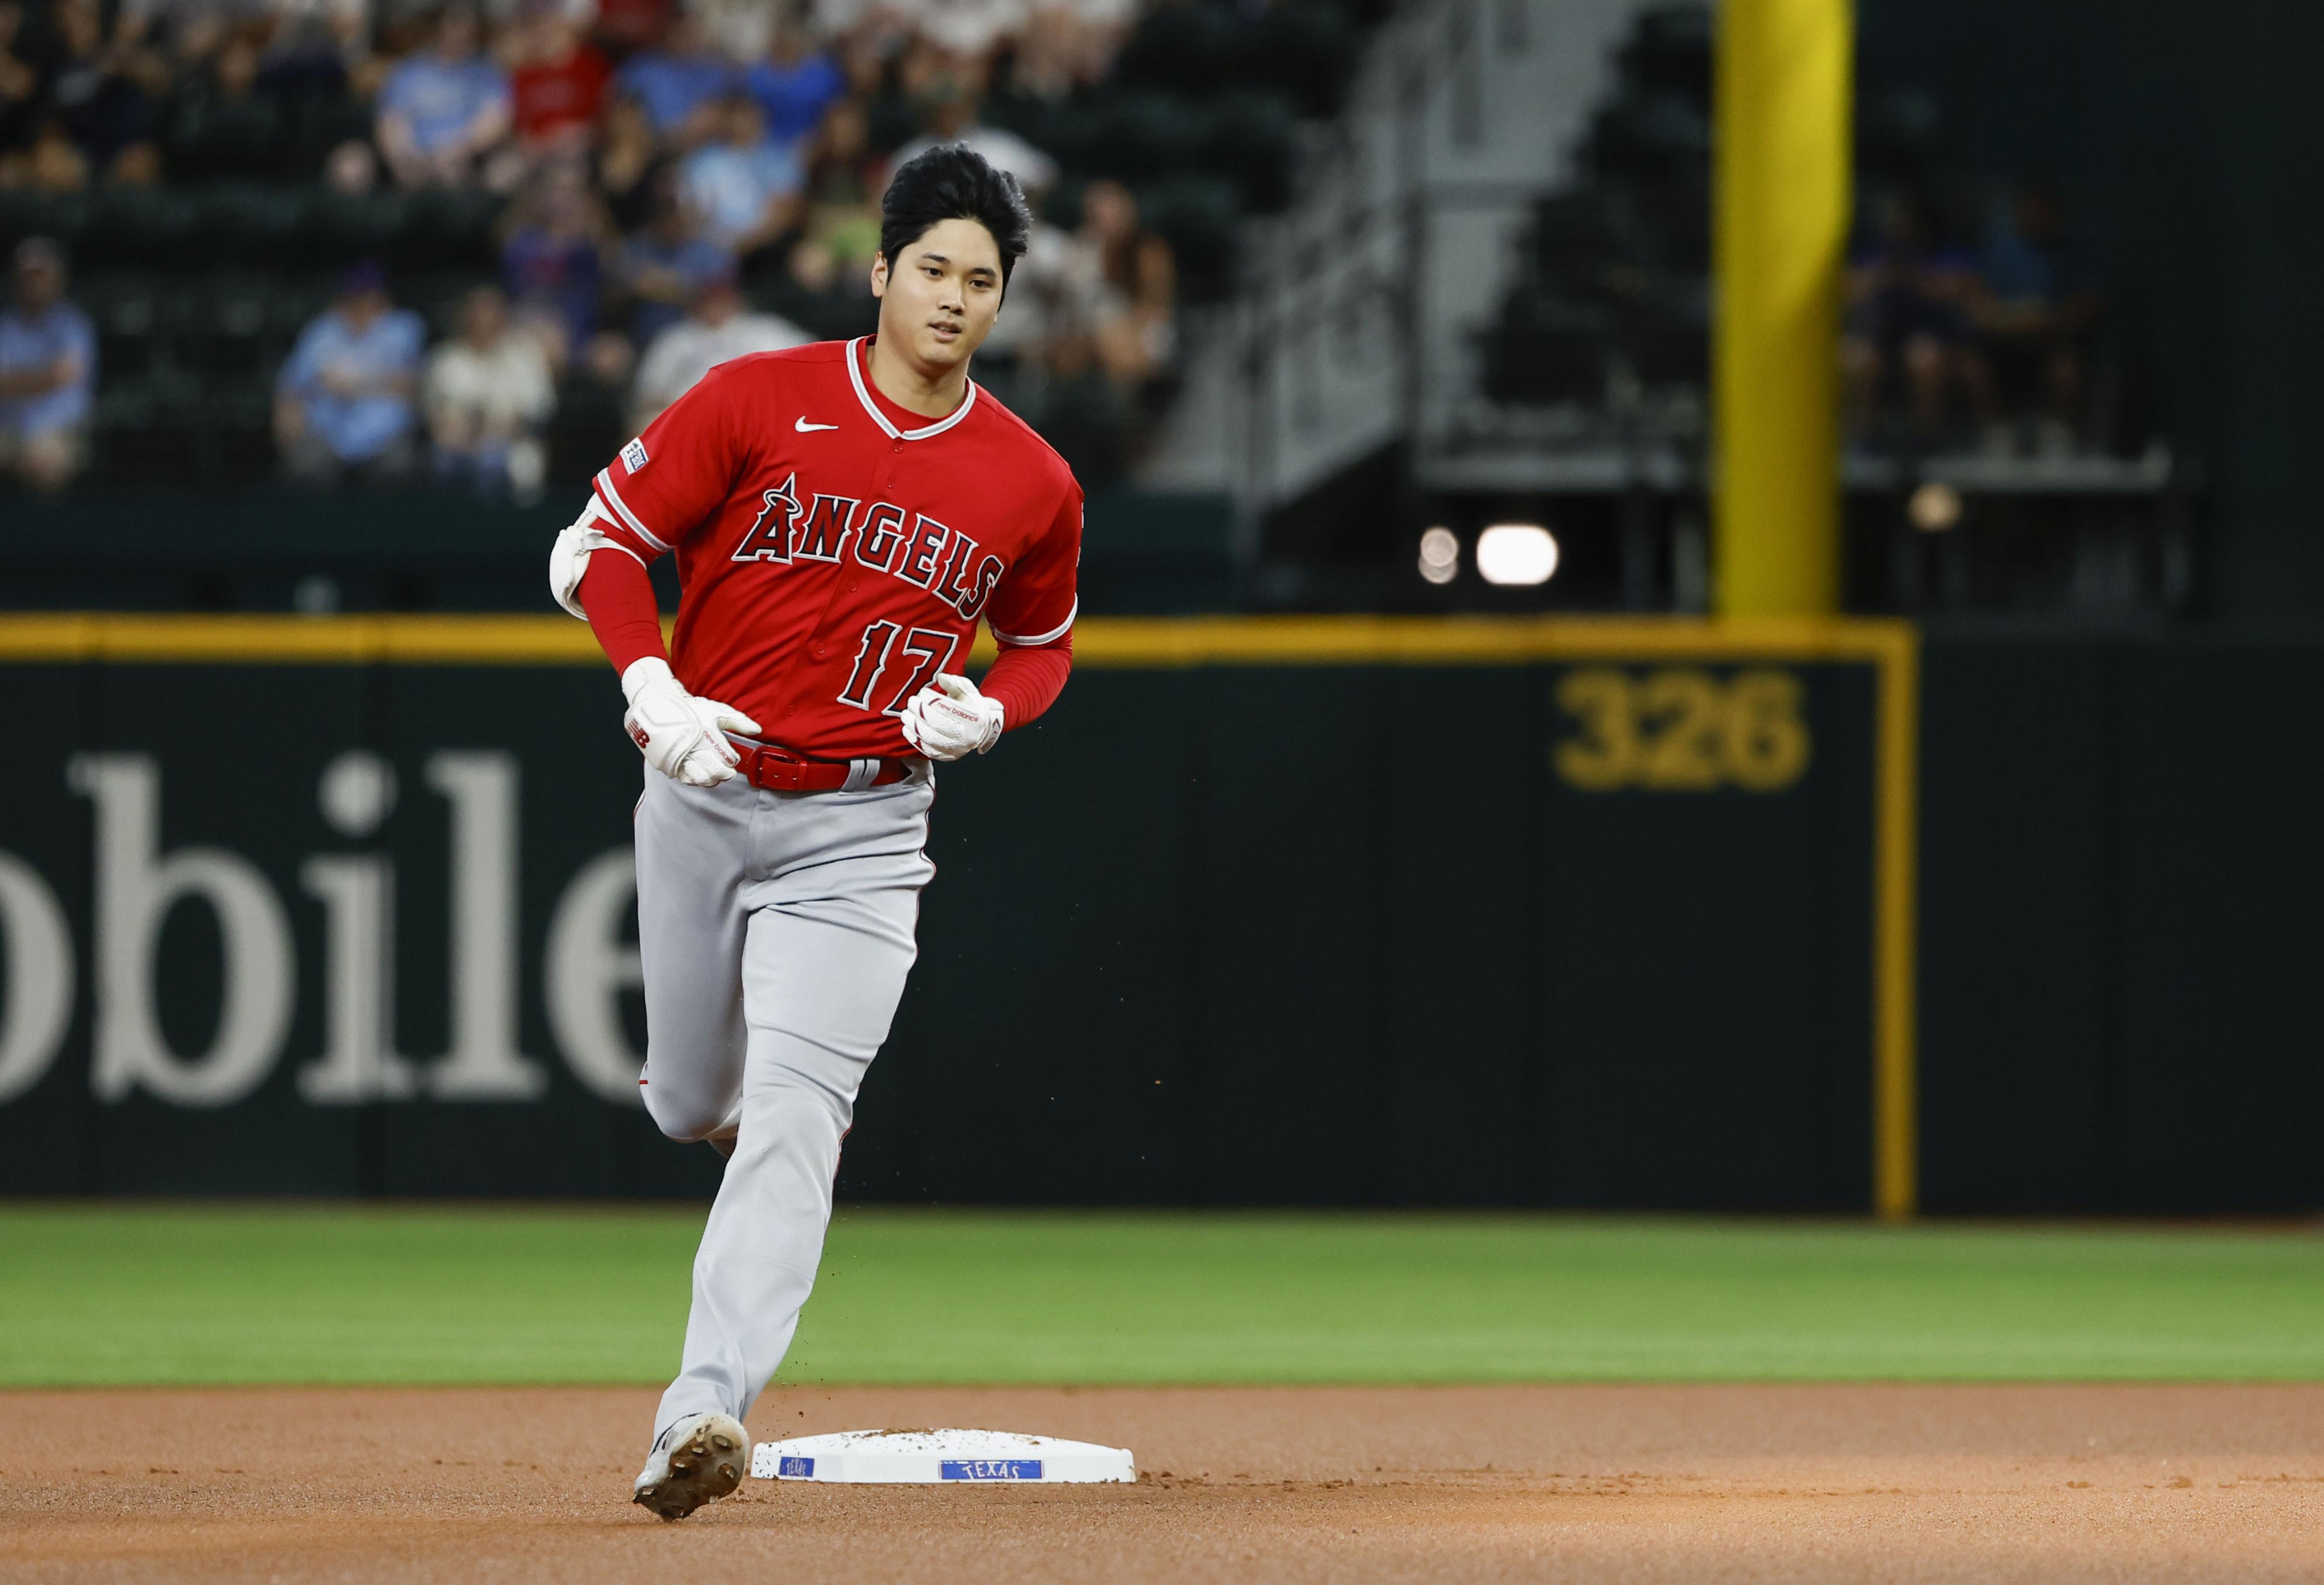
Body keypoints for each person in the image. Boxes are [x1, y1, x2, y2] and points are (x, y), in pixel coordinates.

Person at [544, 143, 1081, 1522]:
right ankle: (718, 1116)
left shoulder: (1029, 480)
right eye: (933, 270)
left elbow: (1040, 643)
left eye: (981, 278)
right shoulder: (756, 396)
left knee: (796, 1114)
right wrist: (649, 681)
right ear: (879, 272)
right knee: (686, 1100)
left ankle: (699, 1408)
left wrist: (994, 713)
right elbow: (601, 546)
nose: (954, 298)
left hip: (864, 829)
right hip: (705, 791)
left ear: (1002, 297)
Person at [273, 261, 426, 484]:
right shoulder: (322, 330)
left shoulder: (403, 327)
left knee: (398, 466)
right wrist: (286, 417)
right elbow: (290, 386)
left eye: (370, 296)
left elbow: (413, 384)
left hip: (386, 433)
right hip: (326, 434)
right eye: (357, 296)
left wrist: (356, 383)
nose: (364, 303)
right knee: (305, 466)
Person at [627, 266, 808, 431]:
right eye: (709, 298)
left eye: (721, 297)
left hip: (754, 416)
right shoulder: (676, 338)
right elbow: (649, 394)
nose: (715, 304)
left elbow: (809, 364)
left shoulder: (764, 329)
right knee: (648, 423)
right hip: (690, 422)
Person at [425, 283, 554, 498]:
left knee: (497, 462)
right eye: (477, 312)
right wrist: (456, 433)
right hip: (456, 445)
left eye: (491, 312)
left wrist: (498, 432)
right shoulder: (446, 358)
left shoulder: (524, 355)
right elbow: (434, 415)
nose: (484, 320)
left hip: (512, 442)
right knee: (443, 460)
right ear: (464, 316)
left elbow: (540, 409)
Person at [374, 6, 511, 187]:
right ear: (438, 27)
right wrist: (404, 157)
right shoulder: (408, 70)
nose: (459, 31)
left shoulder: (486, 72)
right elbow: (391, 122)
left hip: (465, 159)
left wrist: (456, 152)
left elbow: (495, 121)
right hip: (414, 160)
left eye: (466, 25)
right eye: (453, 23)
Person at [0, 238, 95, 491]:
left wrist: (14, 381)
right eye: (28, 276)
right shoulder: (6, 324)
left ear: (58, 279)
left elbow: (63, 375)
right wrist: (41, 379)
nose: (34, 284)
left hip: (61, 431)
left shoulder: (73, 325)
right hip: (8, 428)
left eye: (41, 276)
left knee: (43, 463)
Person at [678, 91, 804, 257]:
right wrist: (716, 242)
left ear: (761, 118)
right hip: (709, 247)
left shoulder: (780, 159)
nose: (742, 123)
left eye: (749, 115)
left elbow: (786, 212)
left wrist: (746, 244)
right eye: (736, 116)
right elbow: (689, 210)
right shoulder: (702, 160)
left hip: (766, 249)